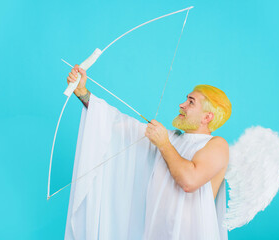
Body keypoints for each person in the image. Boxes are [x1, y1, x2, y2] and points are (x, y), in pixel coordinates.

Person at [64, 64, 232, 240]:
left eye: (191, 102)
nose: (182, 105)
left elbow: (189, 181)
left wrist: (164, 144)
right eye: (186, 99)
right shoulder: (172, 138)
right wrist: (82, 91)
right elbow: (120, 125)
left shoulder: (217, 145)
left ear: (207, 117)